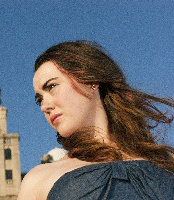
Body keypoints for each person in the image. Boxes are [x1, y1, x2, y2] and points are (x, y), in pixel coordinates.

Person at [18, 41, 174, 200]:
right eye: (39, 100)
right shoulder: (39, 180)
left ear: (91, 81)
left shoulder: (166, 163)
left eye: (51, 86)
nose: (45, 106)